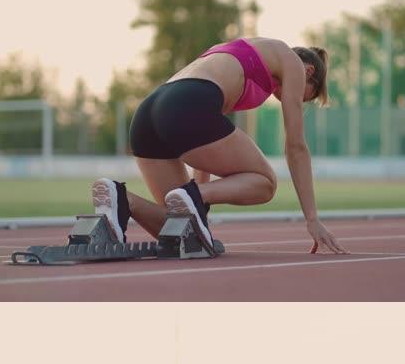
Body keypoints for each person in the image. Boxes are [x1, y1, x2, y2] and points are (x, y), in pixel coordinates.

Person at [92, 37, 348, 254]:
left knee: (181, 230)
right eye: (308, 97)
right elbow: (296, 147)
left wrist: (197, 211)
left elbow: (204, 147)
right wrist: (312, 218)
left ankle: (122, 198)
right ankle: (193, 198)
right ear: (309, 74)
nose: (299, 101)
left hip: (149, 113)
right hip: (188, 103)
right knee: (265, 182)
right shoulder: (291, 62)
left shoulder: (234, 54)